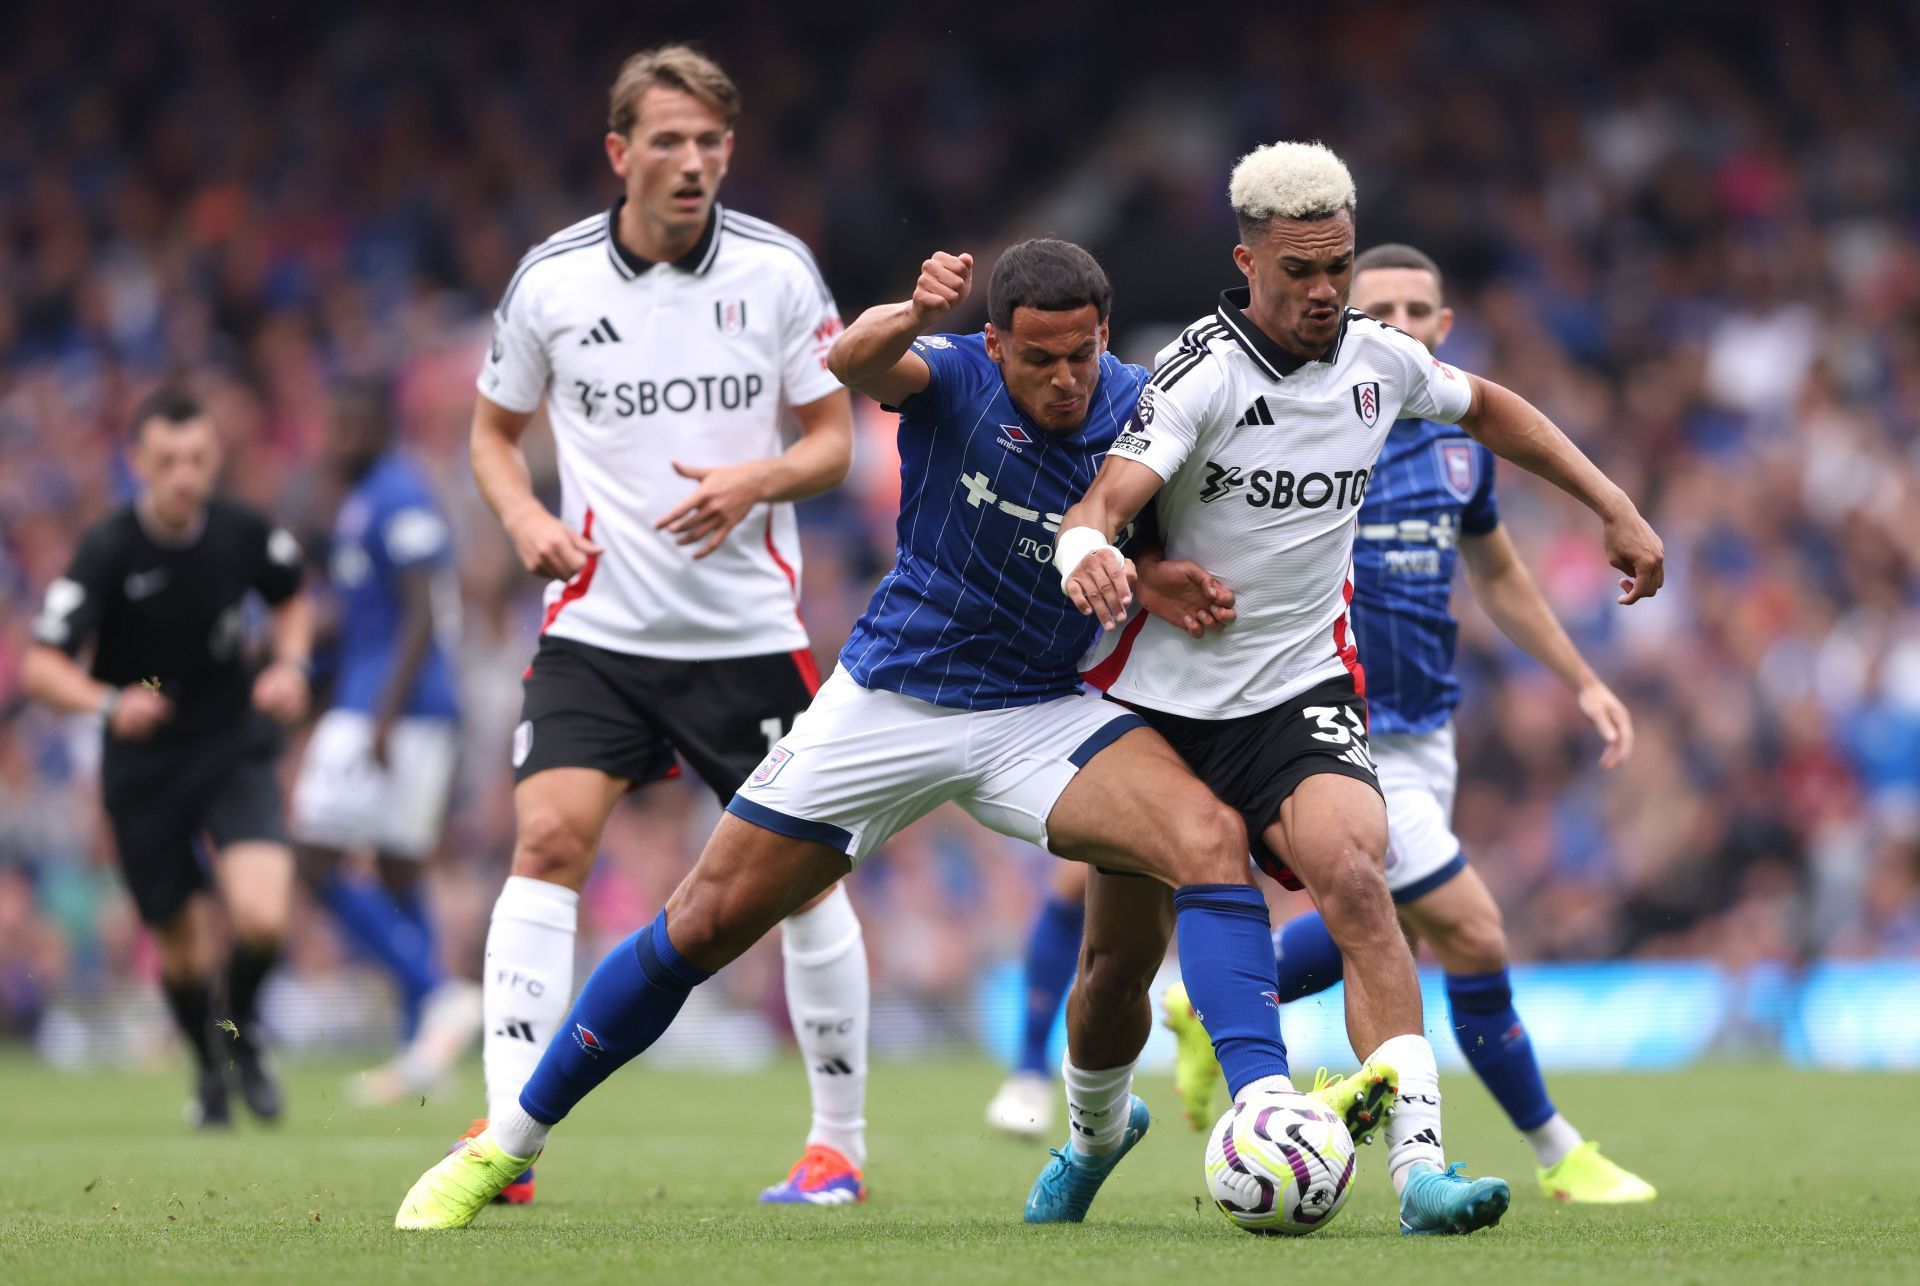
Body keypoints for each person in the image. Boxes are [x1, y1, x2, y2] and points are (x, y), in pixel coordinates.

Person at [396, 237, 1394, 1232]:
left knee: (1209, 838)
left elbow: (1183, 522)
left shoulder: (1145, 398)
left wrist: (1160, 570)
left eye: (1082, 353)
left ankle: (1259, 1100)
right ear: (996, 344)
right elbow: (852, 363)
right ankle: (507, 1141)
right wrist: (915, 311)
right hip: (889, 697)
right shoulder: (953, 373)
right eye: (1040, 358)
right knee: (701, 921)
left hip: (1038, 709)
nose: (1066, 379)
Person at [1057, 141, 1665, 1235]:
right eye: (1300, 273)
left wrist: (1610, 500)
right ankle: (1094, 1132)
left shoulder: (1381, 362)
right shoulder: (1199, 374)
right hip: (1161, 700)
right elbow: (1103, 500)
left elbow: (1493, 409)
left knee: (1357, 877)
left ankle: (1420, 1168)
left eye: (1336, 266)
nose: (1326, 291)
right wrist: (1098, 555)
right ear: (1249, 263)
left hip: (1299, 686)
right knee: (1111, 973)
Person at [462, 44, 870, 1207]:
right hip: (598, 623)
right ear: (619, 152)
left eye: (711, 144)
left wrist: (757, 481)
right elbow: (492, 434)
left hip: (745, 630)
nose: (692, 163)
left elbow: (833, 441)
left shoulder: (780, 272)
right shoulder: (550, 281)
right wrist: (524, 516)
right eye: (669, 141)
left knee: (803, 882)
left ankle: (835, 1143)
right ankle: (505, 1138)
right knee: (545, 843)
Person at [23, 387, 311, 1128]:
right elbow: (40, 667)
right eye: (167, 461)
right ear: (137, 463)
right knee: (183, 955)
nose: (184, 474)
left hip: (230, 743)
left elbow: (290, 598)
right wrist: (110, 703)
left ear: (213, 461)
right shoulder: (108, 550)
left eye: (196, 459)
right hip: (145, 764)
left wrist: (291, 664)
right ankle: (208, 1066)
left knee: (262, 919)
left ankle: (239, 1039)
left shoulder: (243, 533)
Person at [289, 380, 482, 1105]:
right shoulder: (359, 499)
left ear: (380, 426)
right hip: (388, 703)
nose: (338, 435)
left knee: (313, 855)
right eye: (332, 421)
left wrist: (383, 713)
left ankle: (434, 990)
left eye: (351, 422)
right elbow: (366, 613)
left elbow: (426, 605)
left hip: (391, 707)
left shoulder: (398, 492)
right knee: (400, 867)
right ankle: (421, 1049)